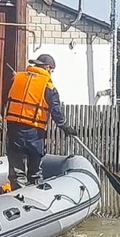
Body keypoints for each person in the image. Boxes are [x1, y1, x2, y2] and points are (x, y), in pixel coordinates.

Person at [4, 54, 77, 190]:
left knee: (16, 170)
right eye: (52, 70)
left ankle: (17, 194)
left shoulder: (17, 78)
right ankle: (35, 194)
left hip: (14, 129)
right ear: (47, 67)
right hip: (35, 133)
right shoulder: (48, 86)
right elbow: (56, 111)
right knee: (35, 172)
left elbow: (7, 98)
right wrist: (65, 127)